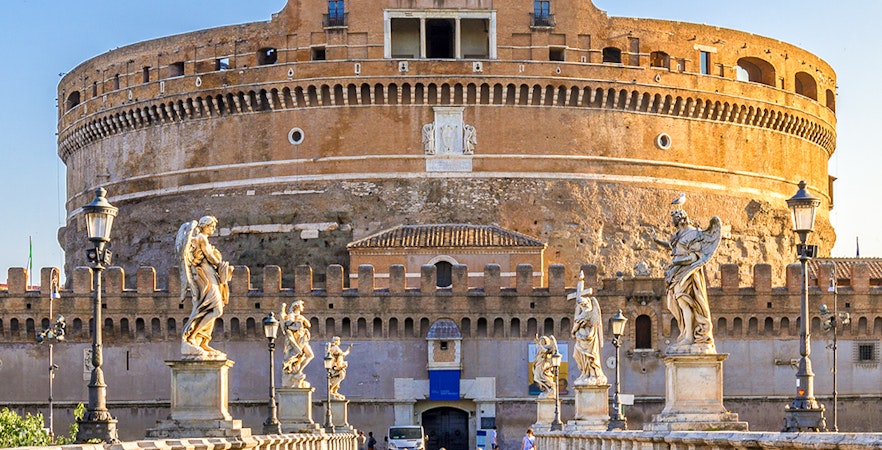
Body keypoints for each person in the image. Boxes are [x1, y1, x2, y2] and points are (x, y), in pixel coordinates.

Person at [654, 208, 721, 354]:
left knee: (686, 303)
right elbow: (674, 247)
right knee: (677, 304)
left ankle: (690, 337)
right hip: (677, 273)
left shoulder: (694, 234)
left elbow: (693, 257)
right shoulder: (678, 235)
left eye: (674, 217)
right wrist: (658, 241)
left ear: (681, 218)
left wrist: (674, 263)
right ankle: (685, 334)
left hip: (688, 273)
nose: (672, 221)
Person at [176, 215, 233, 359]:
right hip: (205, 276)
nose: (213, 229)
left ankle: (202, 341)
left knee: (211, 309)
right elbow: (210, 257)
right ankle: (191, 338)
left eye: (214, 226)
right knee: (215, 308)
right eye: (211, 226)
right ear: (204, 226)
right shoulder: (201, 238)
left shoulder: (200, 238)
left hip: (208, 274)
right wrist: (222, 265)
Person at [572, 292, 606, 385]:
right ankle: (585, 373)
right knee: (576, 355)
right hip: (581, 341)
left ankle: (592, 374)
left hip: (588, 341)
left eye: (584, 303)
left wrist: (574, 332)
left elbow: (592, 327)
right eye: (581, 304)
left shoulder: (588, 313)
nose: (583, 305)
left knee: (589, 357)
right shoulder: (583, 313)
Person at [281, 300, 314, 387]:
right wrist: (298, 323)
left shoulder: (300, 316)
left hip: (303, 337)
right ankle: (295, 371)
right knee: (298, 355)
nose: (303, 307)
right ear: (297, 307)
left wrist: (302, 319)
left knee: (310, 355)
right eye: (302, 306)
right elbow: (288, 325)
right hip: (297, 339)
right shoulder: (291, 315)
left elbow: (309, 324)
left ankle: (299, 370)